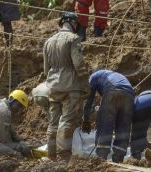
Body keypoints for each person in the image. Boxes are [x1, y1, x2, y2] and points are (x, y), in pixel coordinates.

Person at [43, 12, 88, 160]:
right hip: (70, 85)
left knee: (53, 122)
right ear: (73, 23)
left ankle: (51, 156)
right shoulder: (74, 39)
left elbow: (45, 69)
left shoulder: (48, 41)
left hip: (53, 86)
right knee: (67, 121)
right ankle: (64, 158)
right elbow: (79, 65)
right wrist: (85, 83)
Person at [81, 69, 134, 163]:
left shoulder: (93, 77)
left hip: (112, 91)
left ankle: (101, 158)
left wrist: (85, 120)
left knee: (105, 124)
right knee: (123, 127)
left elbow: (89, 100)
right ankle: (119, 158)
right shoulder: (114, 75)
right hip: (129, 94)